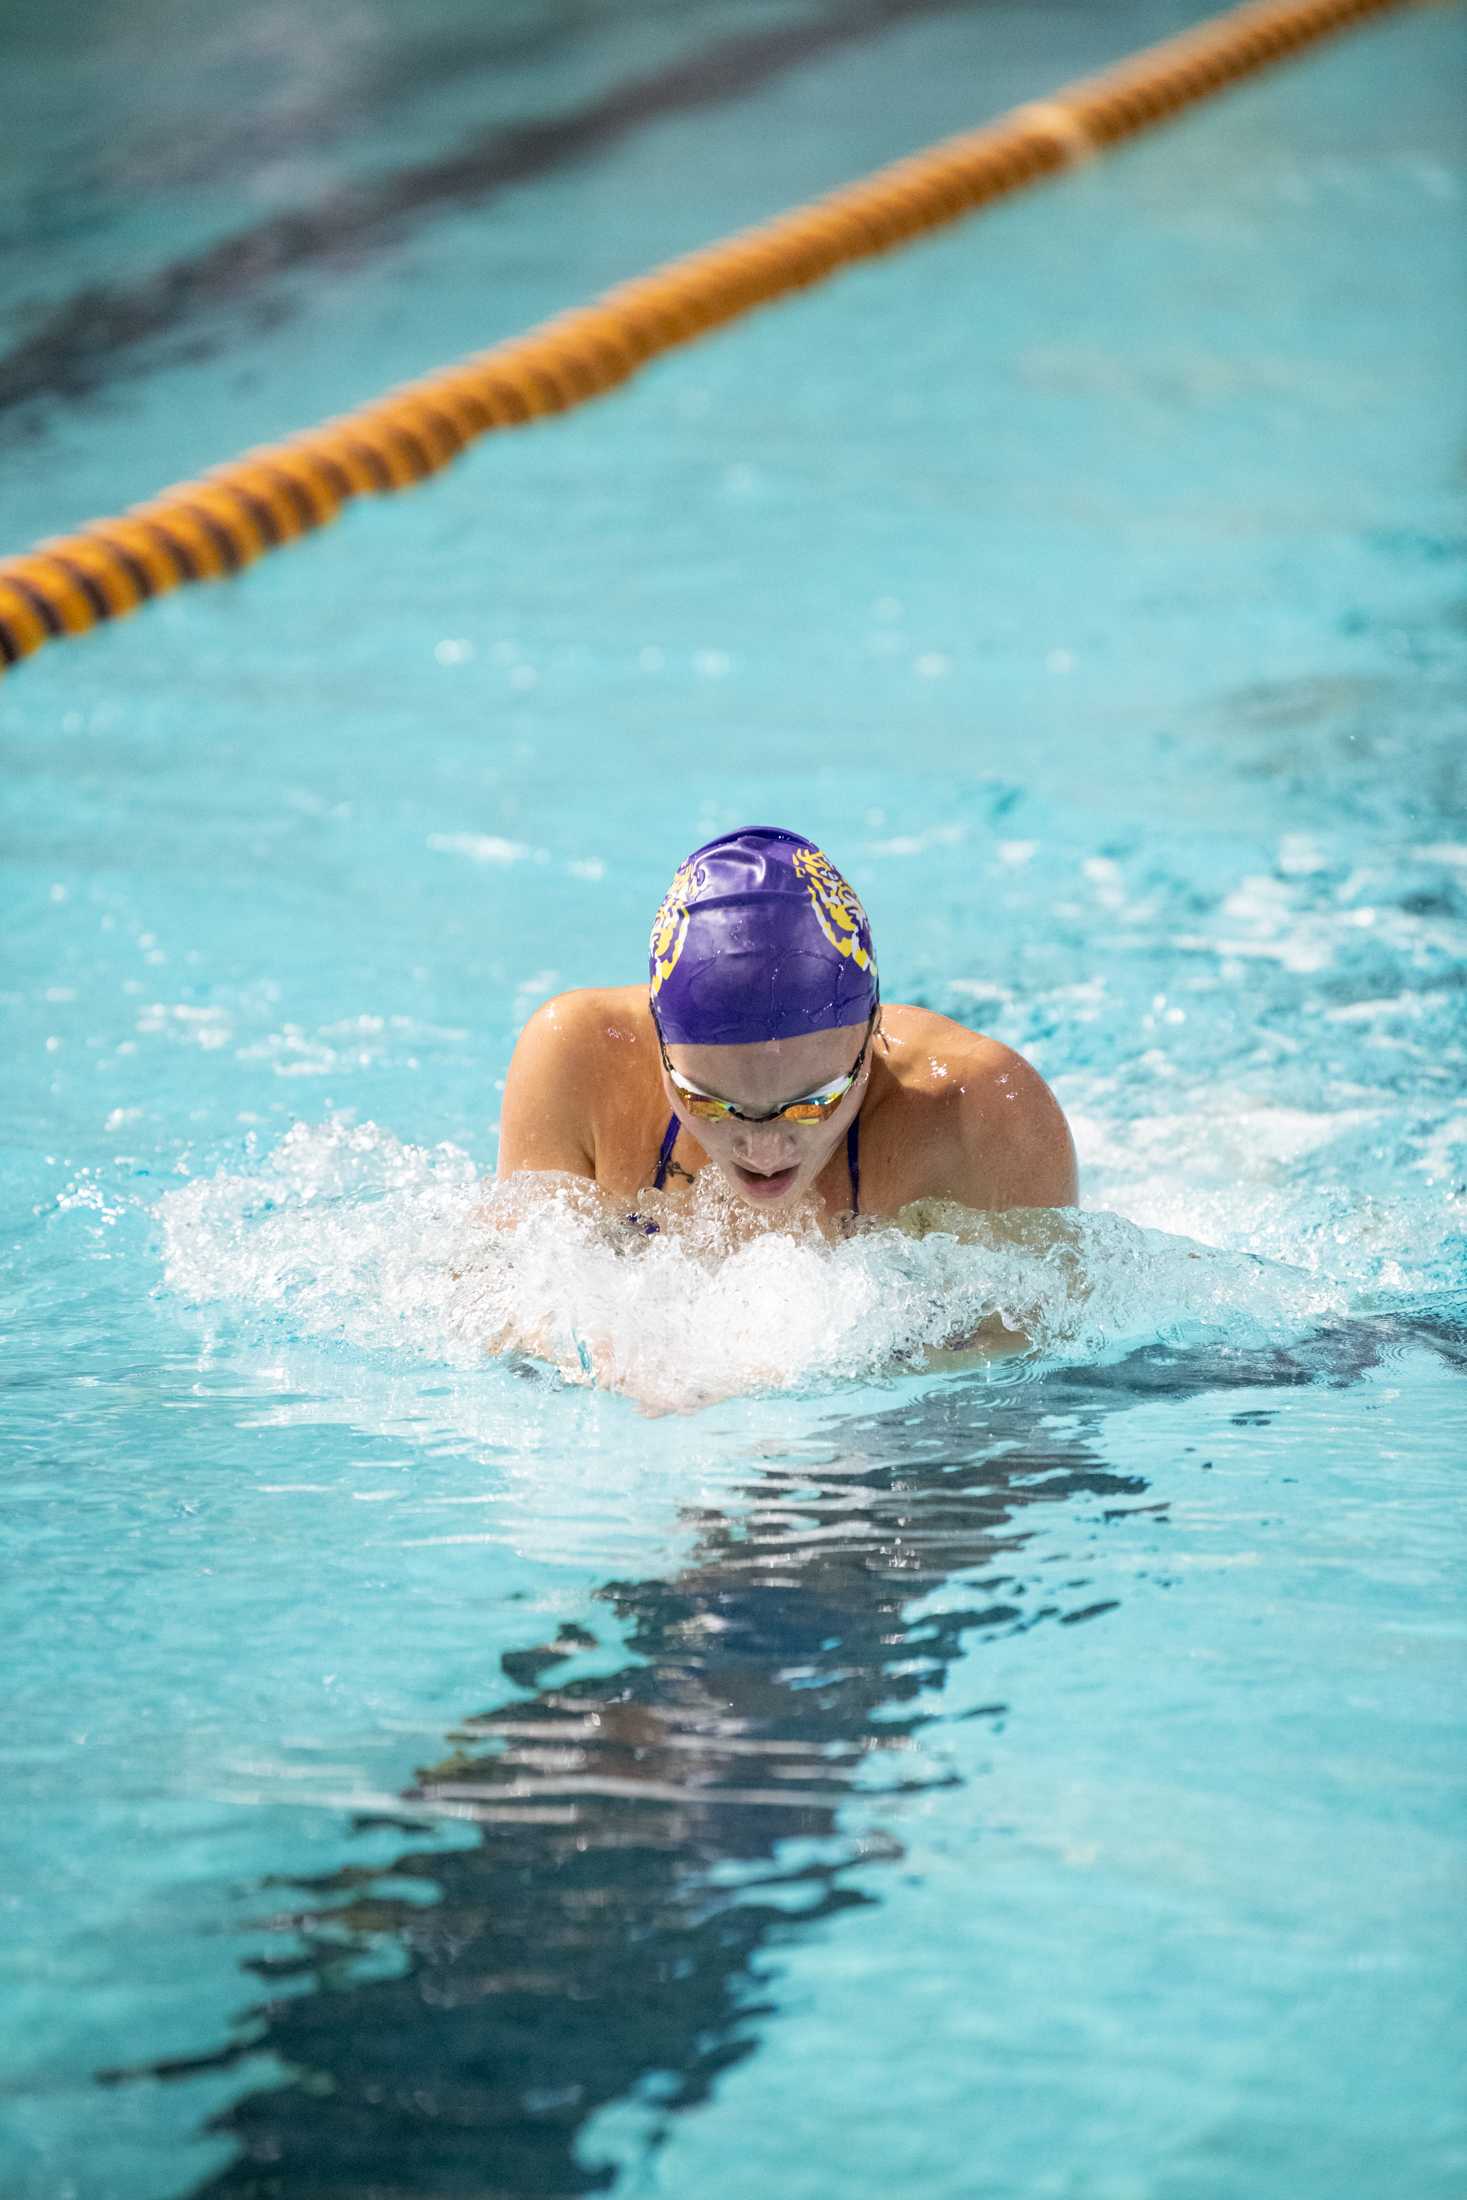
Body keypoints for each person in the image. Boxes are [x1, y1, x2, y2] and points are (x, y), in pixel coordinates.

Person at [497, 826, 1076, 1229]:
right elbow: (513, 1307)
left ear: (873, 1027)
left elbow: (1032, 1376)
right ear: (659, 1041)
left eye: (811, 1103)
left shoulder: (984, 1113)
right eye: (713, 1104)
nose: (764, 1151)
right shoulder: (576, 1057)